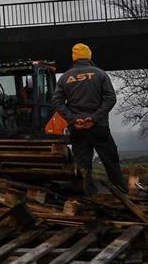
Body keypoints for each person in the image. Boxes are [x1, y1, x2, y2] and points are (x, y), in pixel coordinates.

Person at [51, 42, 128, 192]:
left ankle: (88, 196)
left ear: (74, 58)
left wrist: (73, 119)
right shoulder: (100, 74)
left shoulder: (65, 77)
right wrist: (94, 118)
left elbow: (57, 102)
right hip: (99, 127)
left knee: (83, 167)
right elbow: (110, 98)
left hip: (78, 129)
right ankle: (123, 193)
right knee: (111, 162)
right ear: (89, 57)